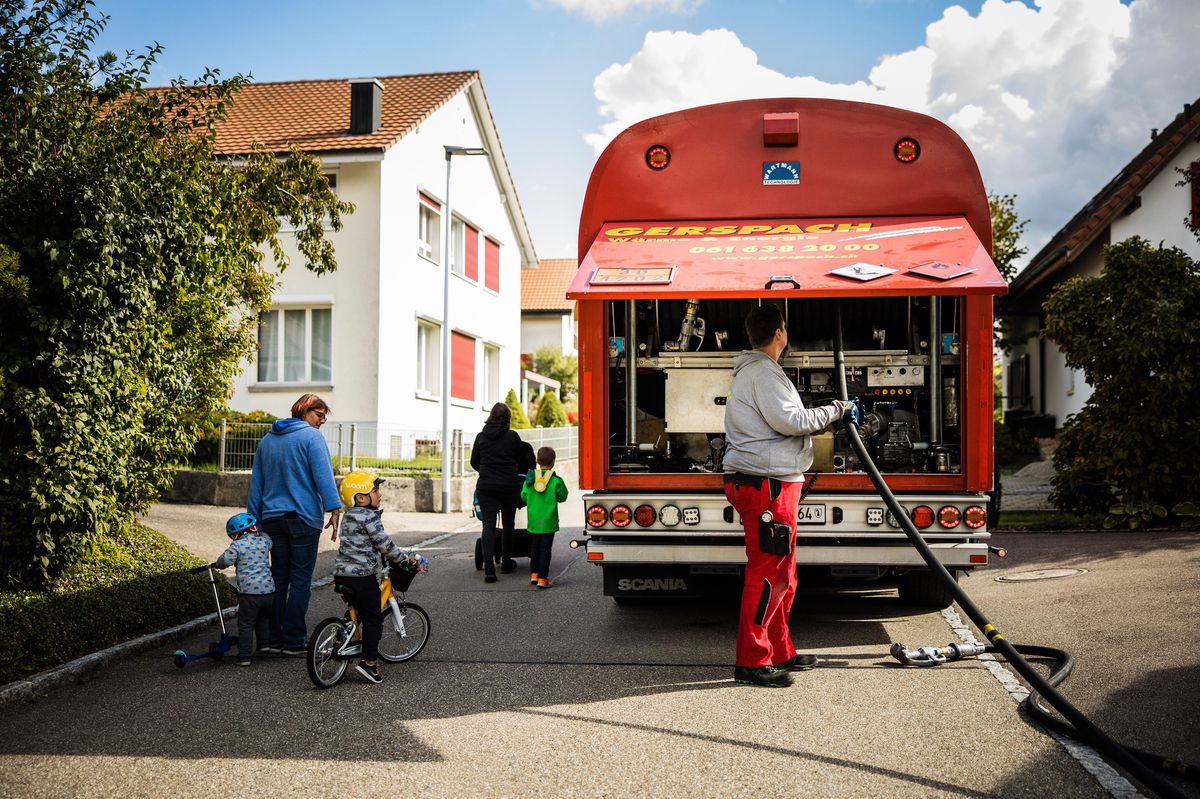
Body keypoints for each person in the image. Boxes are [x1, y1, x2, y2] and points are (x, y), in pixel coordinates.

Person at [723, 304, 853, 688]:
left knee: (784, 574)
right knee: (767, 576)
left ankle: (780, 652)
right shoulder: (763, 372)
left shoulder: (759, 371)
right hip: (767, 485)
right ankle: (752, 661)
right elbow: (791, 421)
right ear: (780, 332)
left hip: (771, 481)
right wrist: (837, 409)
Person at [247, 393, 342, 656]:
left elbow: (257, 484)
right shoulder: (312, 438)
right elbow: (323, 476)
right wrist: (334, 508)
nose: (322, 421)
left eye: (324, 416)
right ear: (303, 411)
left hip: (272, 519)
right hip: (303, 519)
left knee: (278, 578)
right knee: (300, 580)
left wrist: (252, 521)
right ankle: (293, 640)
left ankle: (273, 640)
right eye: (319, 415)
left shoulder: (267, 440)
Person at [333, 469, 408, 685]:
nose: (380, 494)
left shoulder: (349, 515)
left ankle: (340, 638)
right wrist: (403, 560)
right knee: (374, 619)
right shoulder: (369, 517)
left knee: (356, 610)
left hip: (341, 575)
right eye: (376, 490)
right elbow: (384, 544)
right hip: (362, 577)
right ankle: (369, 663)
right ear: (361, 497)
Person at [470, 402, 536, 583]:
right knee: (508, 524)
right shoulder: (512, 437)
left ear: (491, 416)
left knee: (488, 526)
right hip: (509, 486)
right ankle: (506, 563)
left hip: (487, 487)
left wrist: (487, 471)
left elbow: (474, 462)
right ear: (508, 418)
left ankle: (489, 571)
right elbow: (524, 462)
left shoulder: (481, 437)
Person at [210, 513, 275, 666]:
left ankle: (245, 656)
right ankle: (264, 645)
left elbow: (225, 560)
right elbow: (269, 540)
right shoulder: (264, 542)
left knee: (245, 624)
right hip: (269, 592)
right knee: (263, 619)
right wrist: (263, 532)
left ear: (235, 534)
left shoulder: (237, 546)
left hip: (249, 593)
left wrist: (217, 564)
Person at [521, 446, 569, 589]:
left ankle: (534, 575)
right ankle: (543, 578)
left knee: (534, 547)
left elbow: (523, 496)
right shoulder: (556, 481)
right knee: (545, 549)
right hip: (549, 522)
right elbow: (563, 497)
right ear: (553, 461)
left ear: (536, 460)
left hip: (534, 521)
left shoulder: (530, 479)